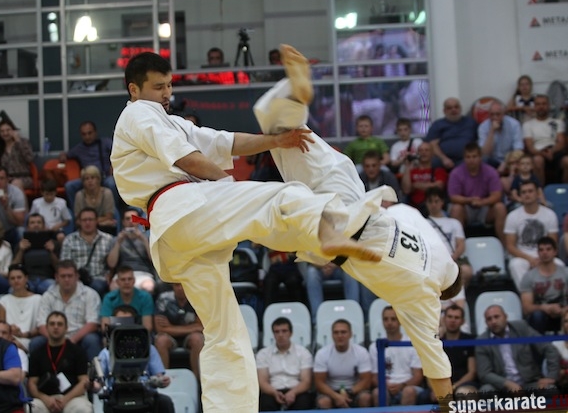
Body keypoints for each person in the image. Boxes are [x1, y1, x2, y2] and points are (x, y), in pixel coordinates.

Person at [111, 50, 380, 413]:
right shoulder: (138, 113)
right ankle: (326, 229)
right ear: (134, 89)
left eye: (170, 85)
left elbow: (224, 142)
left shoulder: (169, 121)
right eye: (158, 87)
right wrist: (228, 187)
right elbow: (188, 160)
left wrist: (274, 141)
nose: (167, 93)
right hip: (183, 208)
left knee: (224, 332)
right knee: (278, 198)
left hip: (176, 234)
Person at [252, 44, 462, 404]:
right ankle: (332, 236)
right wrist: (449, 407)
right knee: (269, 220)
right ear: (442, 293)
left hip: (352, 191)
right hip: (331, 231)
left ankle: (296, 93)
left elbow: (395, 201)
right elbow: (438, 368)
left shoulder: (431, 239)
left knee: (283, 129)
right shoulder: (425, 301)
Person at [97, 305, 175, 413]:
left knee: (165, 402)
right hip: (116, 397)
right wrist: (93, 385)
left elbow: (158, 376)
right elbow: (98, 383)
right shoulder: (105, 353)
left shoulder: (148, 349)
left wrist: (161, 381)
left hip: (145, 394)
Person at [476, 304, 560, 393]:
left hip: (529, 383)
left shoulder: (521, 328)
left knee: (550, 389)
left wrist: (551, 377)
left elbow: (549, 349)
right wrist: (507, 384)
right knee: (486, 391)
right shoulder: (482, 341)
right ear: (486, 323)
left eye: (496, 317)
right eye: (489, 319)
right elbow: (484, 373)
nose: (493, 321)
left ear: (505, 317)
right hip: (501, 387)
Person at [30, 260, 101, 361]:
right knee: (36, 343)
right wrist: (54, 340)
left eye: (70, 276)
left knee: (92, 340)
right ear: (56, 277)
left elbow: (92, 324)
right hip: (53, 337)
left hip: (79, 338)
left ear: (77, 276)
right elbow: (41, 324)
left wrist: (72, 340)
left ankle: (94, 370)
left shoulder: (90, 294)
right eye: (63, 276)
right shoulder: (48, 296)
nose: (67, 279)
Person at [28, 311, 93, 413]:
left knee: (83, 408)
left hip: (72, 398)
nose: (56, 327)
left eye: (60, 324)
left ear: (66, 328)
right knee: (32, 407)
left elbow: (83, 381)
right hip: (45, 399)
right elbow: (32, 383)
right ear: (46, 327)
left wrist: (65, 399)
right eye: (52, 324)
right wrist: (45, 399)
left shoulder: (77, 351)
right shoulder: (37, 353)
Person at [505, 180, 561, 289]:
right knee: (515, 265)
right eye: (524, 192)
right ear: (520, 196)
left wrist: (543, 258)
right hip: (522, 256)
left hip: (544, 254)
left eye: (530, 191)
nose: (527, 194)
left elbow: (553, 243)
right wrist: (530, 259)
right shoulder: (512, 216)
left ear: (537, 193)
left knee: (560, 265)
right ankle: (527, 294)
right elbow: (510, 246)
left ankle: (552, 295)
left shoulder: (550, 215)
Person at [447, 142, 507, 241]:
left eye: (474, 156)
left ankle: (505, 246)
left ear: (480, 157)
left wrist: (482, 202)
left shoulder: (491, 172)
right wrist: (469, 200)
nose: (471, 160)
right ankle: (456, 245)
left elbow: (497, 195)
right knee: (456, 209)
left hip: (485, 206)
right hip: (466, 207)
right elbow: (453, 197)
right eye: (468, 157)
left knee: (500, 208)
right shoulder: (456, 173)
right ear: (464, 158)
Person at [256, 316, 313, 411]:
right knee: (265, 403)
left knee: (304, 402)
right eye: (277, 332)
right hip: (273, 391)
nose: (280, 335)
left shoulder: (303, 353)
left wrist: (293, 393)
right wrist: (274, 393)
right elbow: (262, 382)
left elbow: (306, 381)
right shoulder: (263, 354)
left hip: (297, 390)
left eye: (284, 331)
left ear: (291, 333)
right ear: (273, 334)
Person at [369, 306, 423, 407]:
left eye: (393, 319)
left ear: (400, 321)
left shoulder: (412, 344)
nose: (389, 323)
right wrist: (385, 386)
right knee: (378, 393)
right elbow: (375, 377)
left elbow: (418, 375)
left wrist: (401, 386)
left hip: (408, 385)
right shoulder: (375, 346)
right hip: (386, 386)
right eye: (386, 319)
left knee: (409, 392)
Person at [58, 120, 118, 211]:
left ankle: (112, 210)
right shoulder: (78, 148)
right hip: (87, 178)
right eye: (84, 134)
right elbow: (66, 155)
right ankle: (77, 213)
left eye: (90, 133)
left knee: (112, 184)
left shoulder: (105, 143)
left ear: (95, 132)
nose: (87, 137)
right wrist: (62, 156)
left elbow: (120, 152)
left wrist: (114, 166)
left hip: (104, 177)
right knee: (69, 186)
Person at [313, 319, 371, 409]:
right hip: (330, 391)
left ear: (350, 334)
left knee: (365, 398)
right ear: (332, 335)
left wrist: (348, 393)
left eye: (343, 332)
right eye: (336, 333)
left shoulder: (361, 352)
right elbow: (319, 383)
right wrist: (336, 396)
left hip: (354, 390)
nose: (340, 336)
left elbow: (366, 380)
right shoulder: (322, 354)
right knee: (323, 402)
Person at [425, 187, 473, 287]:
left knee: (466, 271)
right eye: (430, 202)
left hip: (452, 258)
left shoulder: (454, 223)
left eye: (436, 201)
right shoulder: (423, 223)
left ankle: (459, 294)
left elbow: (461, 245)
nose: (433, 205)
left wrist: (452, 258)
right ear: (426, 203)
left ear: (442, 202)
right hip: (432, 260)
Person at [154, 282, 205, 377]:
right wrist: (193, 327)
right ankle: (163, 380)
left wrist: (170, 327)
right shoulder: (164, 299)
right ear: (172, 286)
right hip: (169, 337)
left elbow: (201, 327)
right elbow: (160, 329)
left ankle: (198, 380)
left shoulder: (198, 298)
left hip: (191, 336)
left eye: (183, 285)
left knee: (197, 339)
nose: (180, 288)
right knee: (161, 340)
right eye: (177, 285)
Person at [60, 207, 113, 297]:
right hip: (76, 279)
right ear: (79, 222)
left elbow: (112, 264)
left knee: (97, 286)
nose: (87, 223)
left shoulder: (108, 239)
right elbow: (64, 264)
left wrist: (110, 274)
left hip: (99, 278)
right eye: (84, 220)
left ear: (96, 221)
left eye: (90, 220)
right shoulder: (69, 240)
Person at [519, 237, 568, 334]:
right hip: (541, 314)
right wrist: (545, 308)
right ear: (538, 253)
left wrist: (564, 310)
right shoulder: (529, 276)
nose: (544, 253)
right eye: (541, 250)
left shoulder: (565, 273)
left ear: (555, 252)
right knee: (537, 316)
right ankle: (538, 343)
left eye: (548, 249)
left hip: (564, 311)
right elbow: (526, 308)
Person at [106, 208, 156, 293]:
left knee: (149, 287)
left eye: (134, 218)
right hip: (122, 274)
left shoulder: (147, 239)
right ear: (123, 222)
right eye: (127, 219)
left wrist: (143, 240)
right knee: (114, 287)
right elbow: (111, 264)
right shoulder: (116, 240)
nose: (131, 221)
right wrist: (118, 242)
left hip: (143, 274)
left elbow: (154, 261)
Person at [523, 94, 568, 185]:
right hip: (538, 152)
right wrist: (543, 153)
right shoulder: (527, 125)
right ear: (534, 107)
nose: (541, 107)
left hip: (555, 151)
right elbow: (530, 146)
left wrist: (551, 151)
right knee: (538, 160)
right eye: (538, 104)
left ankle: (565, 190)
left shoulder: (558, 122)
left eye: (544, 104)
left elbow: (561, 142)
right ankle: (540, 190)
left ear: (548, 106)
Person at [303, 261, 369, 324]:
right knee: (311, 273)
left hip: (340, 267)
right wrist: (323, 265)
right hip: (319, 268)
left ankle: (354, 315)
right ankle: (317, 319)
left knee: (350, 272)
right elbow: (308, 258)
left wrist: (334, 265)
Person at [11, 213, 59, 294]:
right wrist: (21, 251)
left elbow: (59, 268)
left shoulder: (53, 244)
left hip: (47, 279)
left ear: (44, 226)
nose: (36, 225)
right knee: (12, 290)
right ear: (27, 227)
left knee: (55, 289)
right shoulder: (21, 244)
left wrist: (51, 252)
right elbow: (13, 268)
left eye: (39, 222)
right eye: (32, 223)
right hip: (27, 280)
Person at [0, 265, 42, 351]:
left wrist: (24, 335)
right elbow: (1, 325)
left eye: (19, 277)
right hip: (9, 338)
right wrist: (10, 329)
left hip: (30, 339)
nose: (16, 281)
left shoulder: (38, 299)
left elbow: (40, 326)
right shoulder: (3, 301)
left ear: (26, 278)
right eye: (12, 278)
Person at [424, 98, 477, 170]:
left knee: (483, 160)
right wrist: (444, 158)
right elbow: (432, 144)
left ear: (460, 109)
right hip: (443, 159)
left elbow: (479, 141)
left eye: (456, 107)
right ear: (444, 111)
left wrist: (471, 158)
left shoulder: (471, 123)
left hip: (466, 159)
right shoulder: (438, 124)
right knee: (433, 162)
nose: (453, 110)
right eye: (449, 108)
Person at [99, 265, 153, 333]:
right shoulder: (109, 298)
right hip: (115, 335)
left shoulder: (145, 297)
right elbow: (105, 326)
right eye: (123, 279)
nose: (126, 282)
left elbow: (147, 326)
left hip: (139, 335)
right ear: (117, 282)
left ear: (134, 281)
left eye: (129, 279)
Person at [440, 305, 478, 396]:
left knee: (463, 392)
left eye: (456, 318)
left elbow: (472, 372)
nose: (453, 320)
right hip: (441, 385)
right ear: (444, 319)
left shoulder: (470, 341)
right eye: (450, 317)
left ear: (462, 321)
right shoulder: (437, 343)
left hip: (465, 384)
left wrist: (453, 387)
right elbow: (431, 371)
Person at [478, 101, 524, 173]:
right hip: (492, 160)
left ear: (503, 114)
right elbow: (485, 153)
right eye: (492, 114)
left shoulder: (514, 124)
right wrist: (492, 131)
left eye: (498, 114)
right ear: (488, 115)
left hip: (510, 159)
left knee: (521, 159)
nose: (495, 117)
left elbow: (518, 149)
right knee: (483, 160)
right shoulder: (483, 127)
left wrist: (505, 163)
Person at [402, 142, 448, 211]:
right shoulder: (411, 172)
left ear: (432, 154)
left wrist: (416, 185)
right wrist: (407, 167)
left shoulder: (439, 171)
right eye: (421, 150)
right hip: (415, 209)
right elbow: (406, 190)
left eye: (427, 150)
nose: (423, 153)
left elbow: (439, 186)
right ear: (417, 154)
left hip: (433, 208)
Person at [0, 118, 35, 190]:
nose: (5, 133)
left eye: (8, 130)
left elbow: (29, 158)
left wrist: (18, 141)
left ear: (13, 130)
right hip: (6, 179)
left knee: (15, 184)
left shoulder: (23, 142)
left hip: (23, 177)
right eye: (2, 131)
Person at [72, 165, 117, 234]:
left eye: (92, 178)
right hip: (86, 228)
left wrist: (89, 222)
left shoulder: (107, 193)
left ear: (98, 179)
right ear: (83, 182)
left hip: (104, 228)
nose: (90, 181)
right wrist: (100, 223)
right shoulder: (79, 195)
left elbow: (109, 216)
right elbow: (78, 219)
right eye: (86, 179)